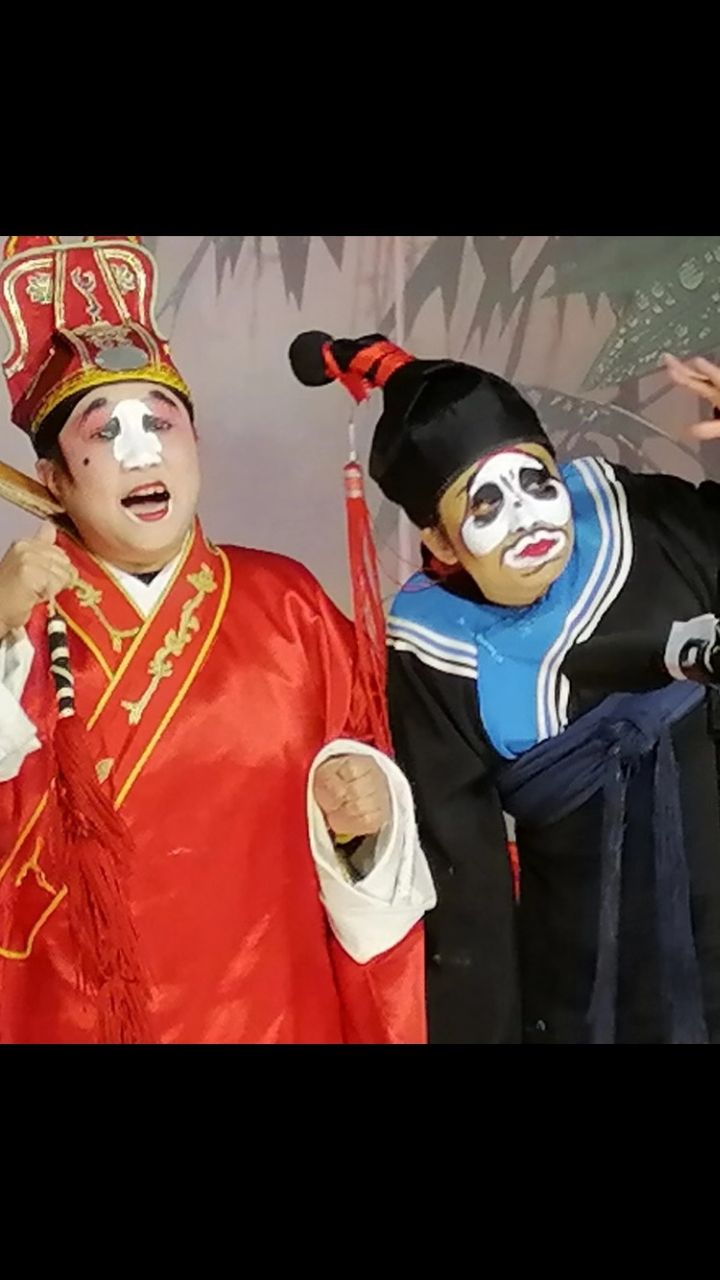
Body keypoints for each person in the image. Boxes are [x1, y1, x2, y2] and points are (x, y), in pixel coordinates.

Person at [0, 237, 435, 1045]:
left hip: (273, 1006)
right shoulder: (20, 627)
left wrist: (363, 816)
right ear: (54, 479)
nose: (141, 451)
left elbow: (373, 757)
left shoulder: (289, 606)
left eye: (161, 422)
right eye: (104, 432)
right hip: (75, 1017)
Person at [289, 329, 720, 1045]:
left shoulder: (639, 520)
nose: (528, 516)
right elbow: (467, 890)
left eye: (538, 483)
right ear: (441, 542)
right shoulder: (435, 646)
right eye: (486, 505)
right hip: (585, 980)